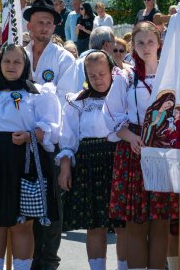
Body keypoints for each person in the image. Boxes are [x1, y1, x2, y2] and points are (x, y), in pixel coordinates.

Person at [0, 43, 60, 270]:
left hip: (23, 161)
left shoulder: (38, 93)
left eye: (17, 61)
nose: (11, 66)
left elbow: (53, 129)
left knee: (22, 224)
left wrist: (31, 135)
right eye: (7, 61)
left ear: (25, 64)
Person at [103, 21, 170, 270]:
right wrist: (130, 137)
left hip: (165, 151)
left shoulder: (171, 74)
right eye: (139, 43)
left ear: (159, 43)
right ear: (133, 46)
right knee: (136, 222)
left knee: (161, 221)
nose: (145, 47)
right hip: (135, 151)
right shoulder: (125, 77)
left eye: (150, 42)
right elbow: (109, 116)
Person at [57, 51, 127, 270]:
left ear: (112, 72)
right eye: (93, 74)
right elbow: (68, 136)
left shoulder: (124, 98)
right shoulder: (77, 101)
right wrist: (65, 166)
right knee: (95, 225)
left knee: (123, 224)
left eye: (102, 73)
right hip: (89, 161)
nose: (98, 79)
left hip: (119, 160)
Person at [23, 0, 77, 270]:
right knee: (23, 201)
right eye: (39, 22)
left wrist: (46, 132)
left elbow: (65, 102)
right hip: (21, 139)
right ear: (29, 26)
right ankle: (26, 258)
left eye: (49, 22)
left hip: (51, 141)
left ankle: (47, 261)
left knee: (51, 204)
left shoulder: (64, 58)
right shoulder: (19, 54)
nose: (44, 27)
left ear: (54, 26)